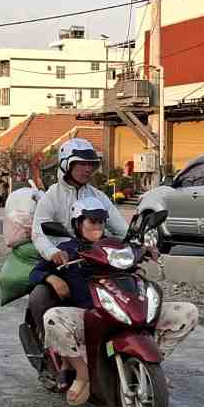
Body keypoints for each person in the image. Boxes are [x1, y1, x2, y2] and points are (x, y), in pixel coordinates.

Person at [37, 201, 198, 406]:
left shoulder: (115, 246)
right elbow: (36, 271)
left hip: (124, 308)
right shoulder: (68, 248)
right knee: (52, 318)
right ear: (78, 223)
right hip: (88, 315)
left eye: (101, 222)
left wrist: (144, 251)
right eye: (92, 221)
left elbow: (133, 253)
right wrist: (52, 278)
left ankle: (150, 365)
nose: (97, 226)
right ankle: (82, 374)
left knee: (187, 313)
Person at [27, 139, 129, 347]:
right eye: (81, 164)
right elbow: (38, 232)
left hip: (96, 261)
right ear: (67, 165)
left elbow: (120, 229)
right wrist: (52, 253)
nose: (87, 169)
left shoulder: (98, 196)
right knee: (39, 298)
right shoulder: (52, 197)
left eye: (91, 164)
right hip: (63, 263)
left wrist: (139, 245)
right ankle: (49, 348)